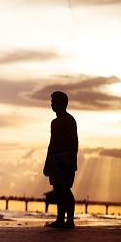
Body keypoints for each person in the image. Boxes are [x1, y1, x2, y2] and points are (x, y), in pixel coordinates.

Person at [43, 91, 78, 229]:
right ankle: (59, 219)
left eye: (56, 101)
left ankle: (70, 220)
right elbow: (51, 143)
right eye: (52, 101)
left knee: (65, 188)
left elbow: (74, 140)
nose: (53, 104)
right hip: (54, 157)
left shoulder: (69, 119)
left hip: (66, 156)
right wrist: (47, 161)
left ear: (64, 103)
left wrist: (72, 159)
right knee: (57, 189)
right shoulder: (54, 122)